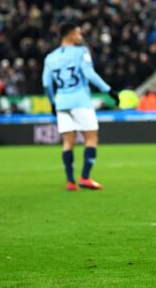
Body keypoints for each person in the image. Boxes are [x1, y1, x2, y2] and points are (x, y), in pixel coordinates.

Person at [42, 22, 120, 191]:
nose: (80, 36)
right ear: (70, 35)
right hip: (80, 102)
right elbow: (89, 74)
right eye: (78, 33)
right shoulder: (81, 52)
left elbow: (46, 84)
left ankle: (70, 181)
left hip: (61, 102)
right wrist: (109, 90)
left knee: (67, 143)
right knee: (91, 138)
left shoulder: (50, 57)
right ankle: (85, 177)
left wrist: (53, 103)